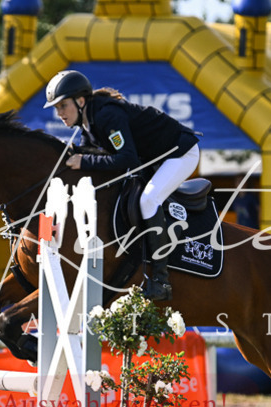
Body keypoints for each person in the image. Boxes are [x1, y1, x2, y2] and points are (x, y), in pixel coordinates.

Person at [45, 69, 200, 301]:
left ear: (80, 101)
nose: (60, 113)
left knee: (148, 200)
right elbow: (93, 157)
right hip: (154, 158)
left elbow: (127, 159)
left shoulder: (107, 116)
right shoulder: (88, 123)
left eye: (63, 106)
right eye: (56, 108)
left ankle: (161, 280)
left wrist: (83, 160)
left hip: (180, 153)